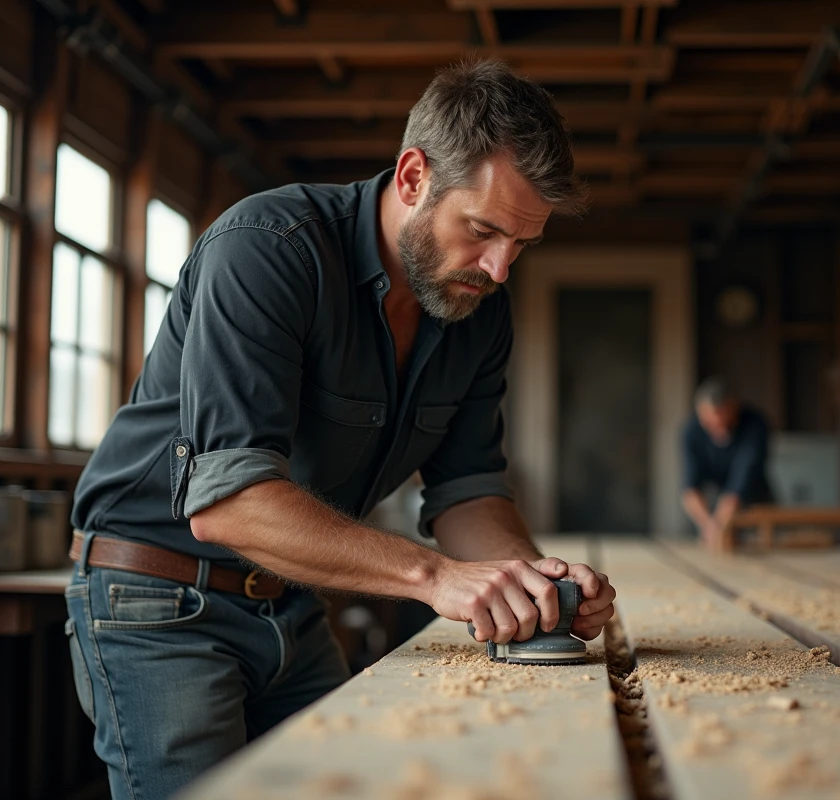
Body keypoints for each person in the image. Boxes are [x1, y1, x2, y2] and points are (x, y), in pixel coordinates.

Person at [64, 60, 617, 799]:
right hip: (159, 603)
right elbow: (229, 503)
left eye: (522, 245)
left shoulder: (476, 306)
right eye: (483, 231)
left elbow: (468, 493)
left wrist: (530, 583)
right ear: (415, 176)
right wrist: (438, 579)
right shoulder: (266, 250)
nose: (499, 268)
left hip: (290, 601)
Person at [680, 377, 774, 546]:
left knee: (767, 544)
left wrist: (720, 524)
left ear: (733, 407)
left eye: (722, 417)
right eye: (710, 421)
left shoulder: (754, 425)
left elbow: (743, 478)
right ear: (700, 412)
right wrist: (708, 526)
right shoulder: (691, 431)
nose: (717, 426)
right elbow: (690, 490)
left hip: (754, 494)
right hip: (713, 498)